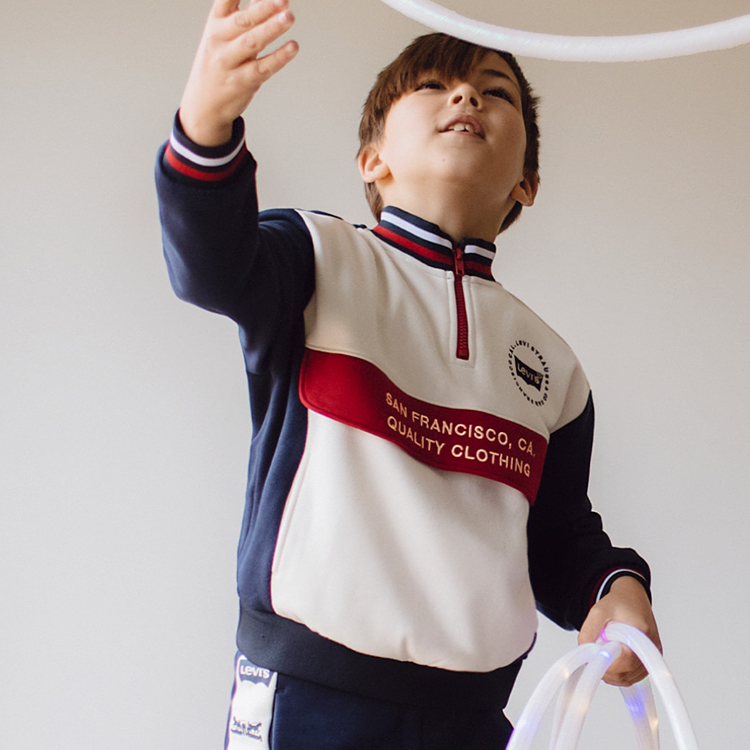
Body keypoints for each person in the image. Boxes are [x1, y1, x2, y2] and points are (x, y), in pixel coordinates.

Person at [155, 1, 661, 747]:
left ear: (527, 182)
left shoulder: (555, 370)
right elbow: (208, 264)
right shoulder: (318, 258)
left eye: (496, 92)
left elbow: (557, 540)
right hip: (306, 698)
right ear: (373, 160)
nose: (467, 96)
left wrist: (615, 586)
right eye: (433, 86)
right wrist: (205, 124)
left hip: (472, 722)